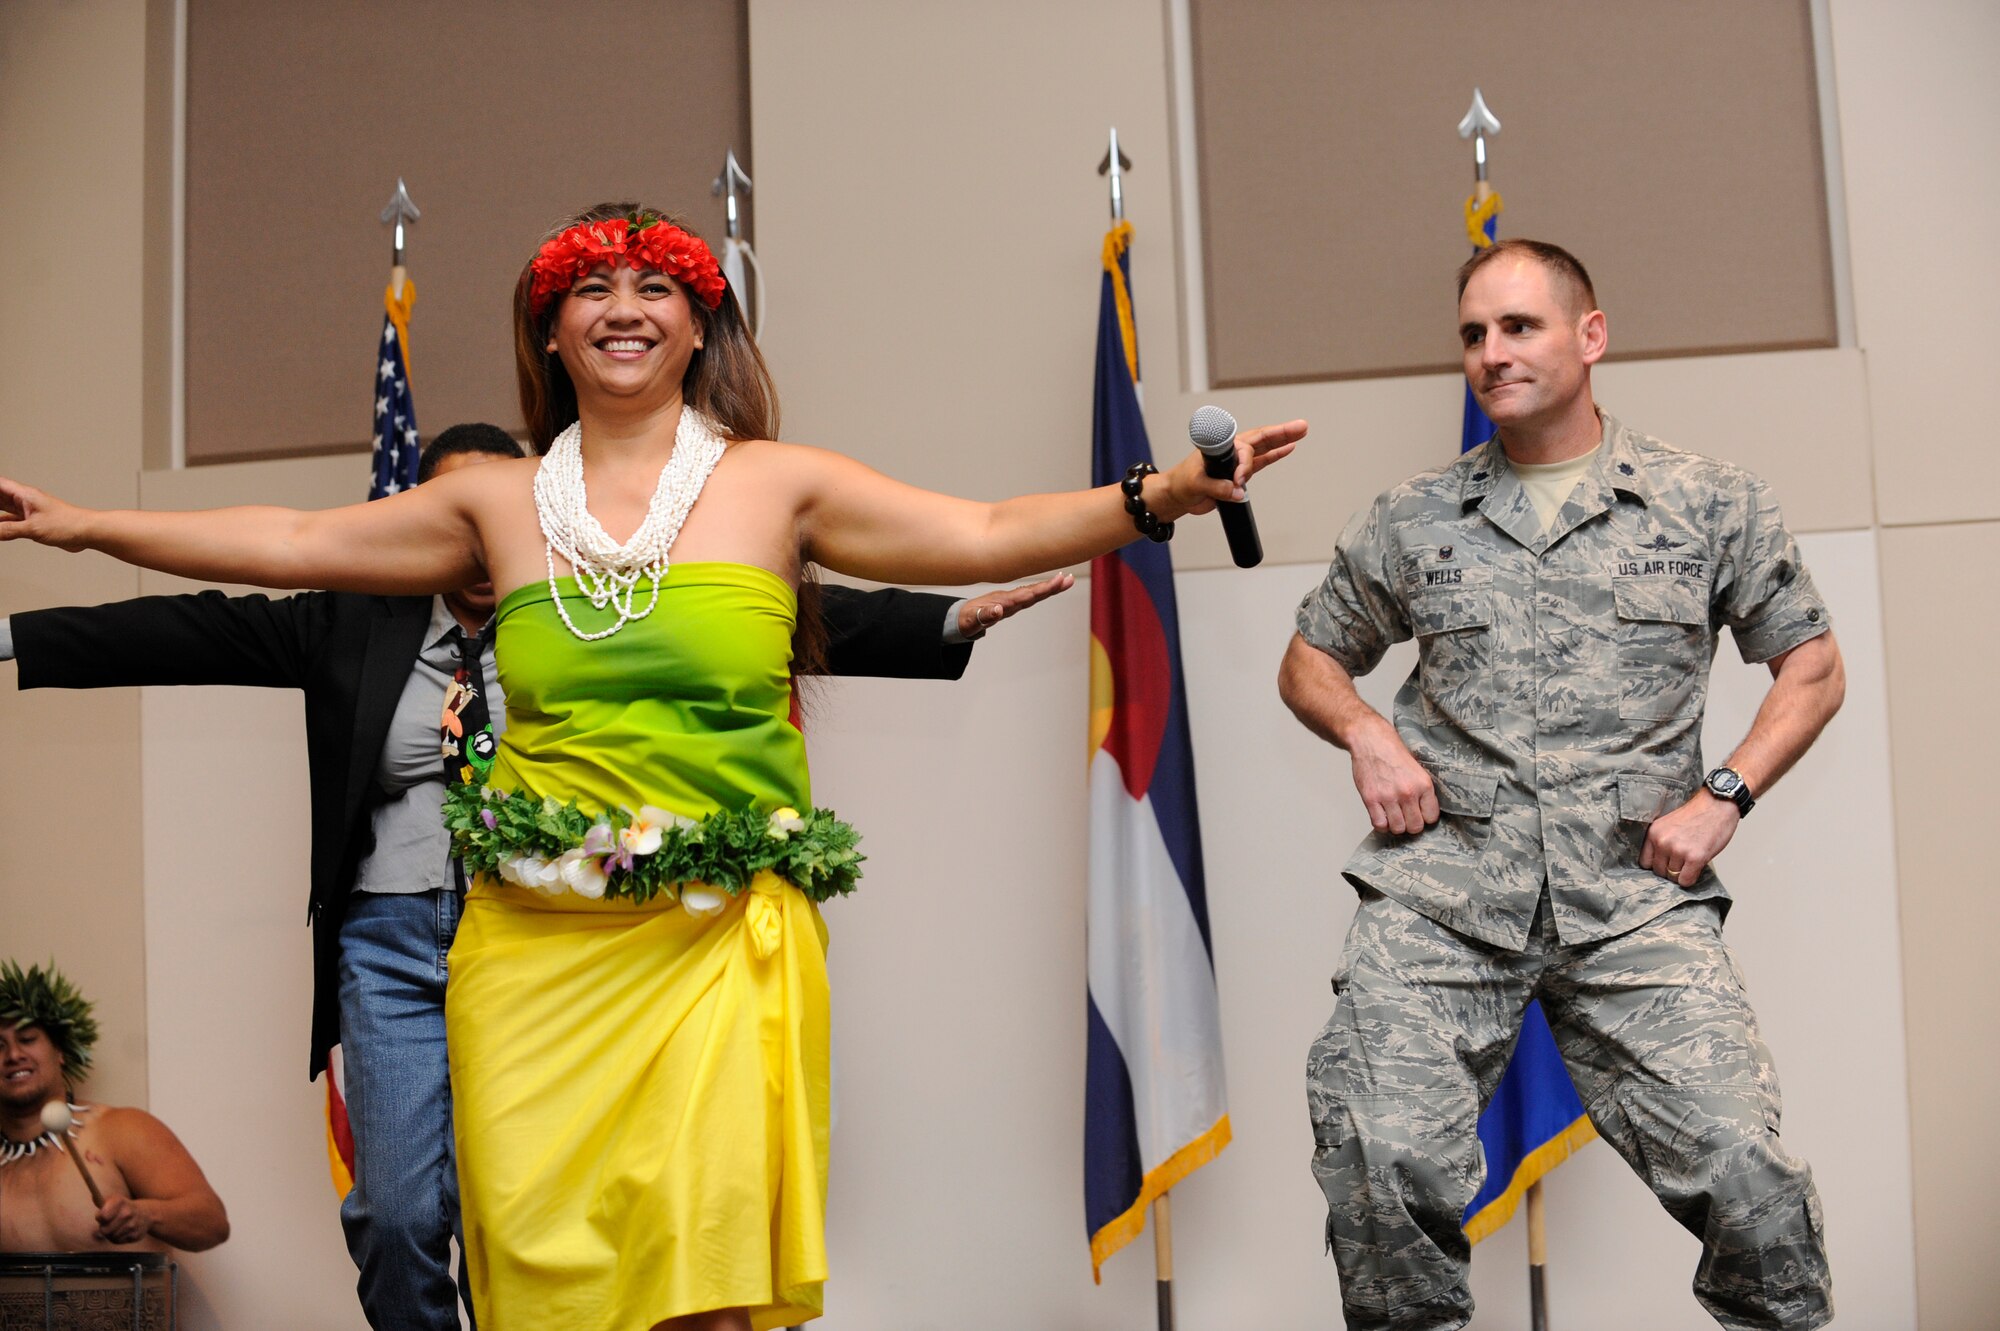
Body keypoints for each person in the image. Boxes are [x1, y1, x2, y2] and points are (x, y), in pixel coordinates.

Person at [0, 201, 1303, 1331]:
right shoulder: (496, 504)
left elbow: (978, 527)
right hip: (531, 953)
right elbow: (288, 536)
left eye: (655, 286)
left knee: (707, 1272)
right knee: (550, 1283)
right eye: (591, 289)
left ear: (698, 326)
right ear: (551, 332)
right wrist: (86, 522)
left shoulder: (776, 483)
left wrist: (1161, 494)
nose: (623, 308)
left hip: (717, 935)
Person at [0, 421, 1069, 1331]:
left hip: (566, 932)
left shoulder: (596, 597)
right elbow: (192, 620)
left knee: (556, 1197)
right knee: (401, 1213)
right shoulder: (350, 620)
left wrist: (942, 615)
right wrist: (25, 613)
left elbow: (760, 610)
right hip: (396, 939)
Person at [1279, 239, 1841, 1331]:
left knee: (1743, 1168)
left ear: (1590, 335)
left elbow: (1809, 667)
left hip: (1629, 897)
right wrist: (1362, 732)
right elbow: (1309, 659)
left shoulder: (1707, 501)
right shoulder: (1411, 516)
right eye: (1472, 334)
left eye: (1519, 327)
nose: (1491, 354)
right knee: (1377, 1152)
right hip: (1442, 897)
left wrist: (1722, 791)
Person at [0, 960, 229, 1255]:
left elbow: (213, 1224)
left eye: (28, 1039)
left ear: (60, 1052)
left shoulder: (120, 1130)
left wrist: (146, 1214)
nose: (14, 1054)